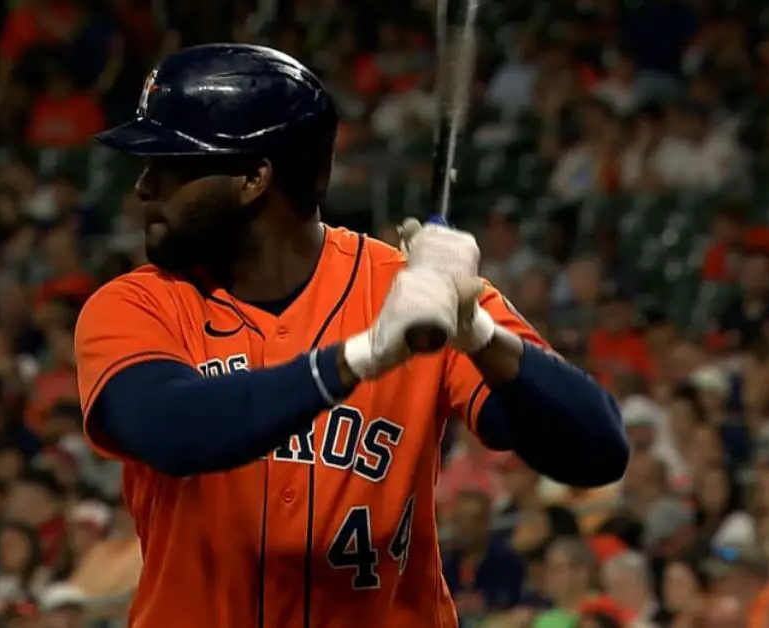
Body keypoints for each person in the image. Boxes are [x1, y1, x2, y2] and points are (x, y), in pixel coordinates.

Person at [75, 43, 627, 627]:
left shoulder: (412, 293)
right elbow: (172, 431)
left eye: (171, 165)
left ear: (253, 178)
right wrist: (362, 355)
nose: (143, 186)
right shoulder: (137, 304)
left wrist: (481, 333)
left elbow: (596, 451)